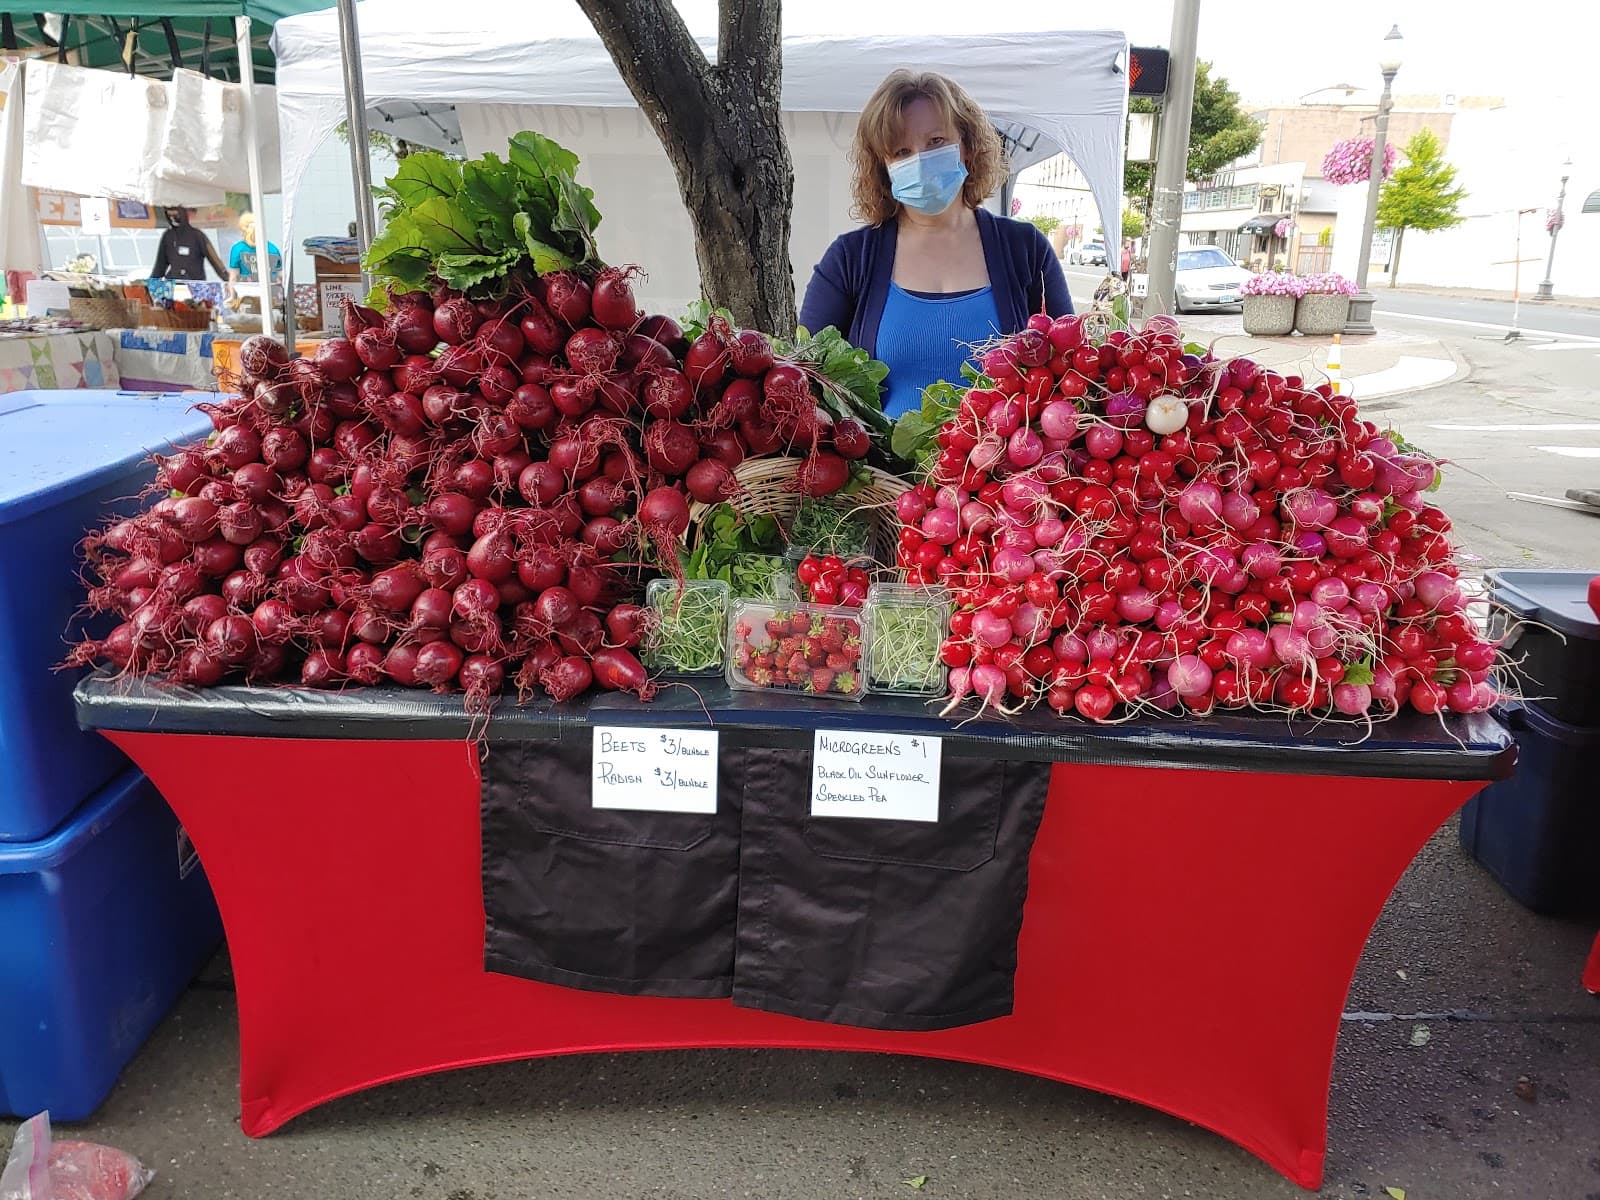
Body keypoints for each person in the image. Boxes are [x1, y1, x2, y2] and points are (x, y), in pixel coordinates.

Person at [799, 70, 1071, 419]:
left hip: (1001, 470)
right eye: (901, 151)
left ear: (967, 147)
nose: (920, 160)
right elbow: (807, 377)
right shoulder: (850, 259)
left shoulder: (1025, 250)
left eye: (936, 142)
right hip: (881, 474)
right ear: (883, 167)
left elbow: (1069, 368)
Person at [150, 207, 226, 281]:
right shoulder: (167, 236)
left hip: (194, 284)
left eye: (176, 214)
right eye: (169, 215)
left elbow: (215, 260)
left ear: (182, 214)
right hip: (173, 284)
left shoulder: (197, 236)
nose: (172, 218)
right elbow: (159, 267)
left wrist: (228, 279)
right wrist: (149, 285)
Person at [227, 212, 283, 306]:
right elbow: (281, 276)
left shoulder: (237, 249)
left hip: (246, 299)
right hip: (271, 298)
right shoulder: (273, 248)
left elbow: (233, 277)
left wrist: (232, 297)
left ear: (242, 229)